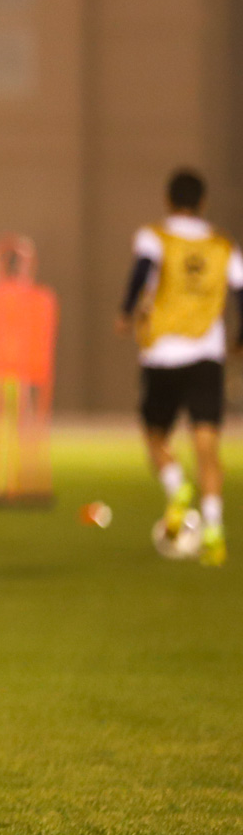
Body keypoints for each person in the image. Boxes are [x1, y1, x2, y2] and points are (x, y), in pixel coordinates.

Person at [116, 167, 240, 567]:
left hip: (164, 351)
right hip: (208, 353)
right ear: (203, 203)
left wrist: (125, 311)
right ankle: (215, 532)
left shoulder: (155, 236)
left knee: (154, 435)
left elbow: (141, 273)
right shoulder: (224, 245)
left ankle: (175, 487)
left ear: (169, 200)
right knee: (207, 446)